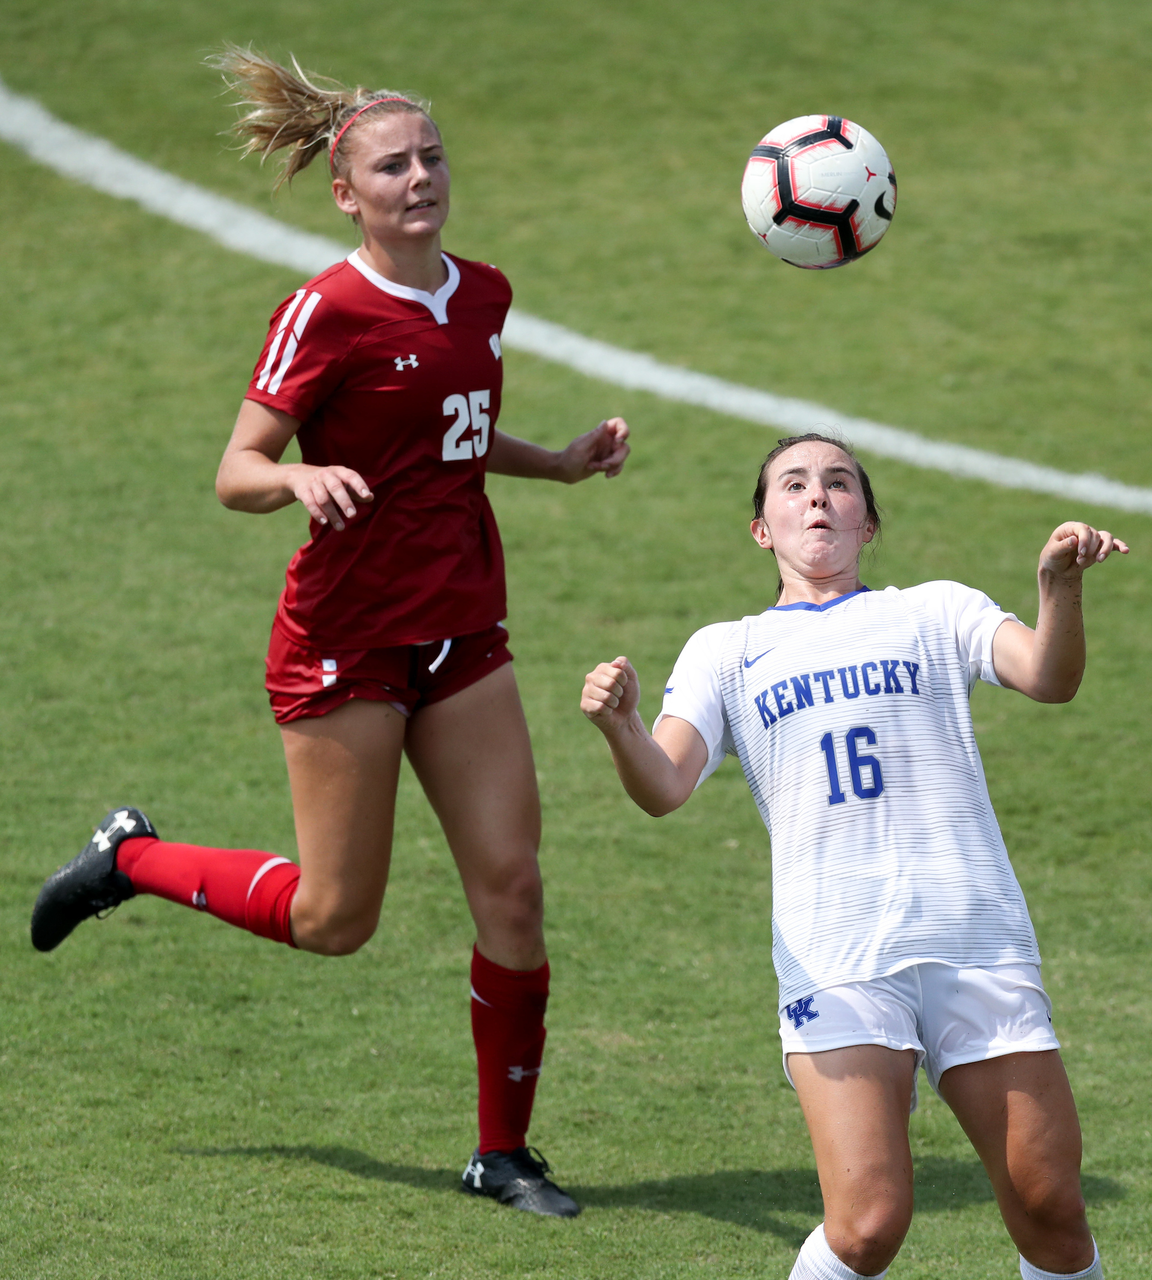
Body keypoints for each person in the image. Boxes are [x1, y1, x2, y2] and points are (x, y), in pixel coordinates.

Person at [31, 46, 630, 1219]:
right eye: (393, 166)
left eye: (433, 157)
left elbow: (453, 434)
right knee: (333, 918)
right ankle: (131, 859)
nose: (421, 177)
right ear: (347, 192)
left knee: (511, 886)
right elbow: (235, 468)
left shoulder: (486, 294)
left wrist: (552, 463)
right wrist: (295, 484)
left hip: (461, 629)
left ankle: (501, 1151)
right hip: (345, 637)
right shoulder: (323, 309)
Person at [581, 432, 1125, 1278]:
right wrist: (620, 728)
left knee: (1050, 1209)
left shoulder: (935, 610)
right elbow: (665, 784)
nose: (817, 496)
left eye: (839, 484)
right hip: (838, 955)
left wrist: (1058, 589)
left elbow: (1049, 675)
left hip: (973, 938)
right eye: (792, 486)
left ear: (868, 523)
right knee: (868, 1222)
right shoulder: (727, 651)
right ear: (762, 528)